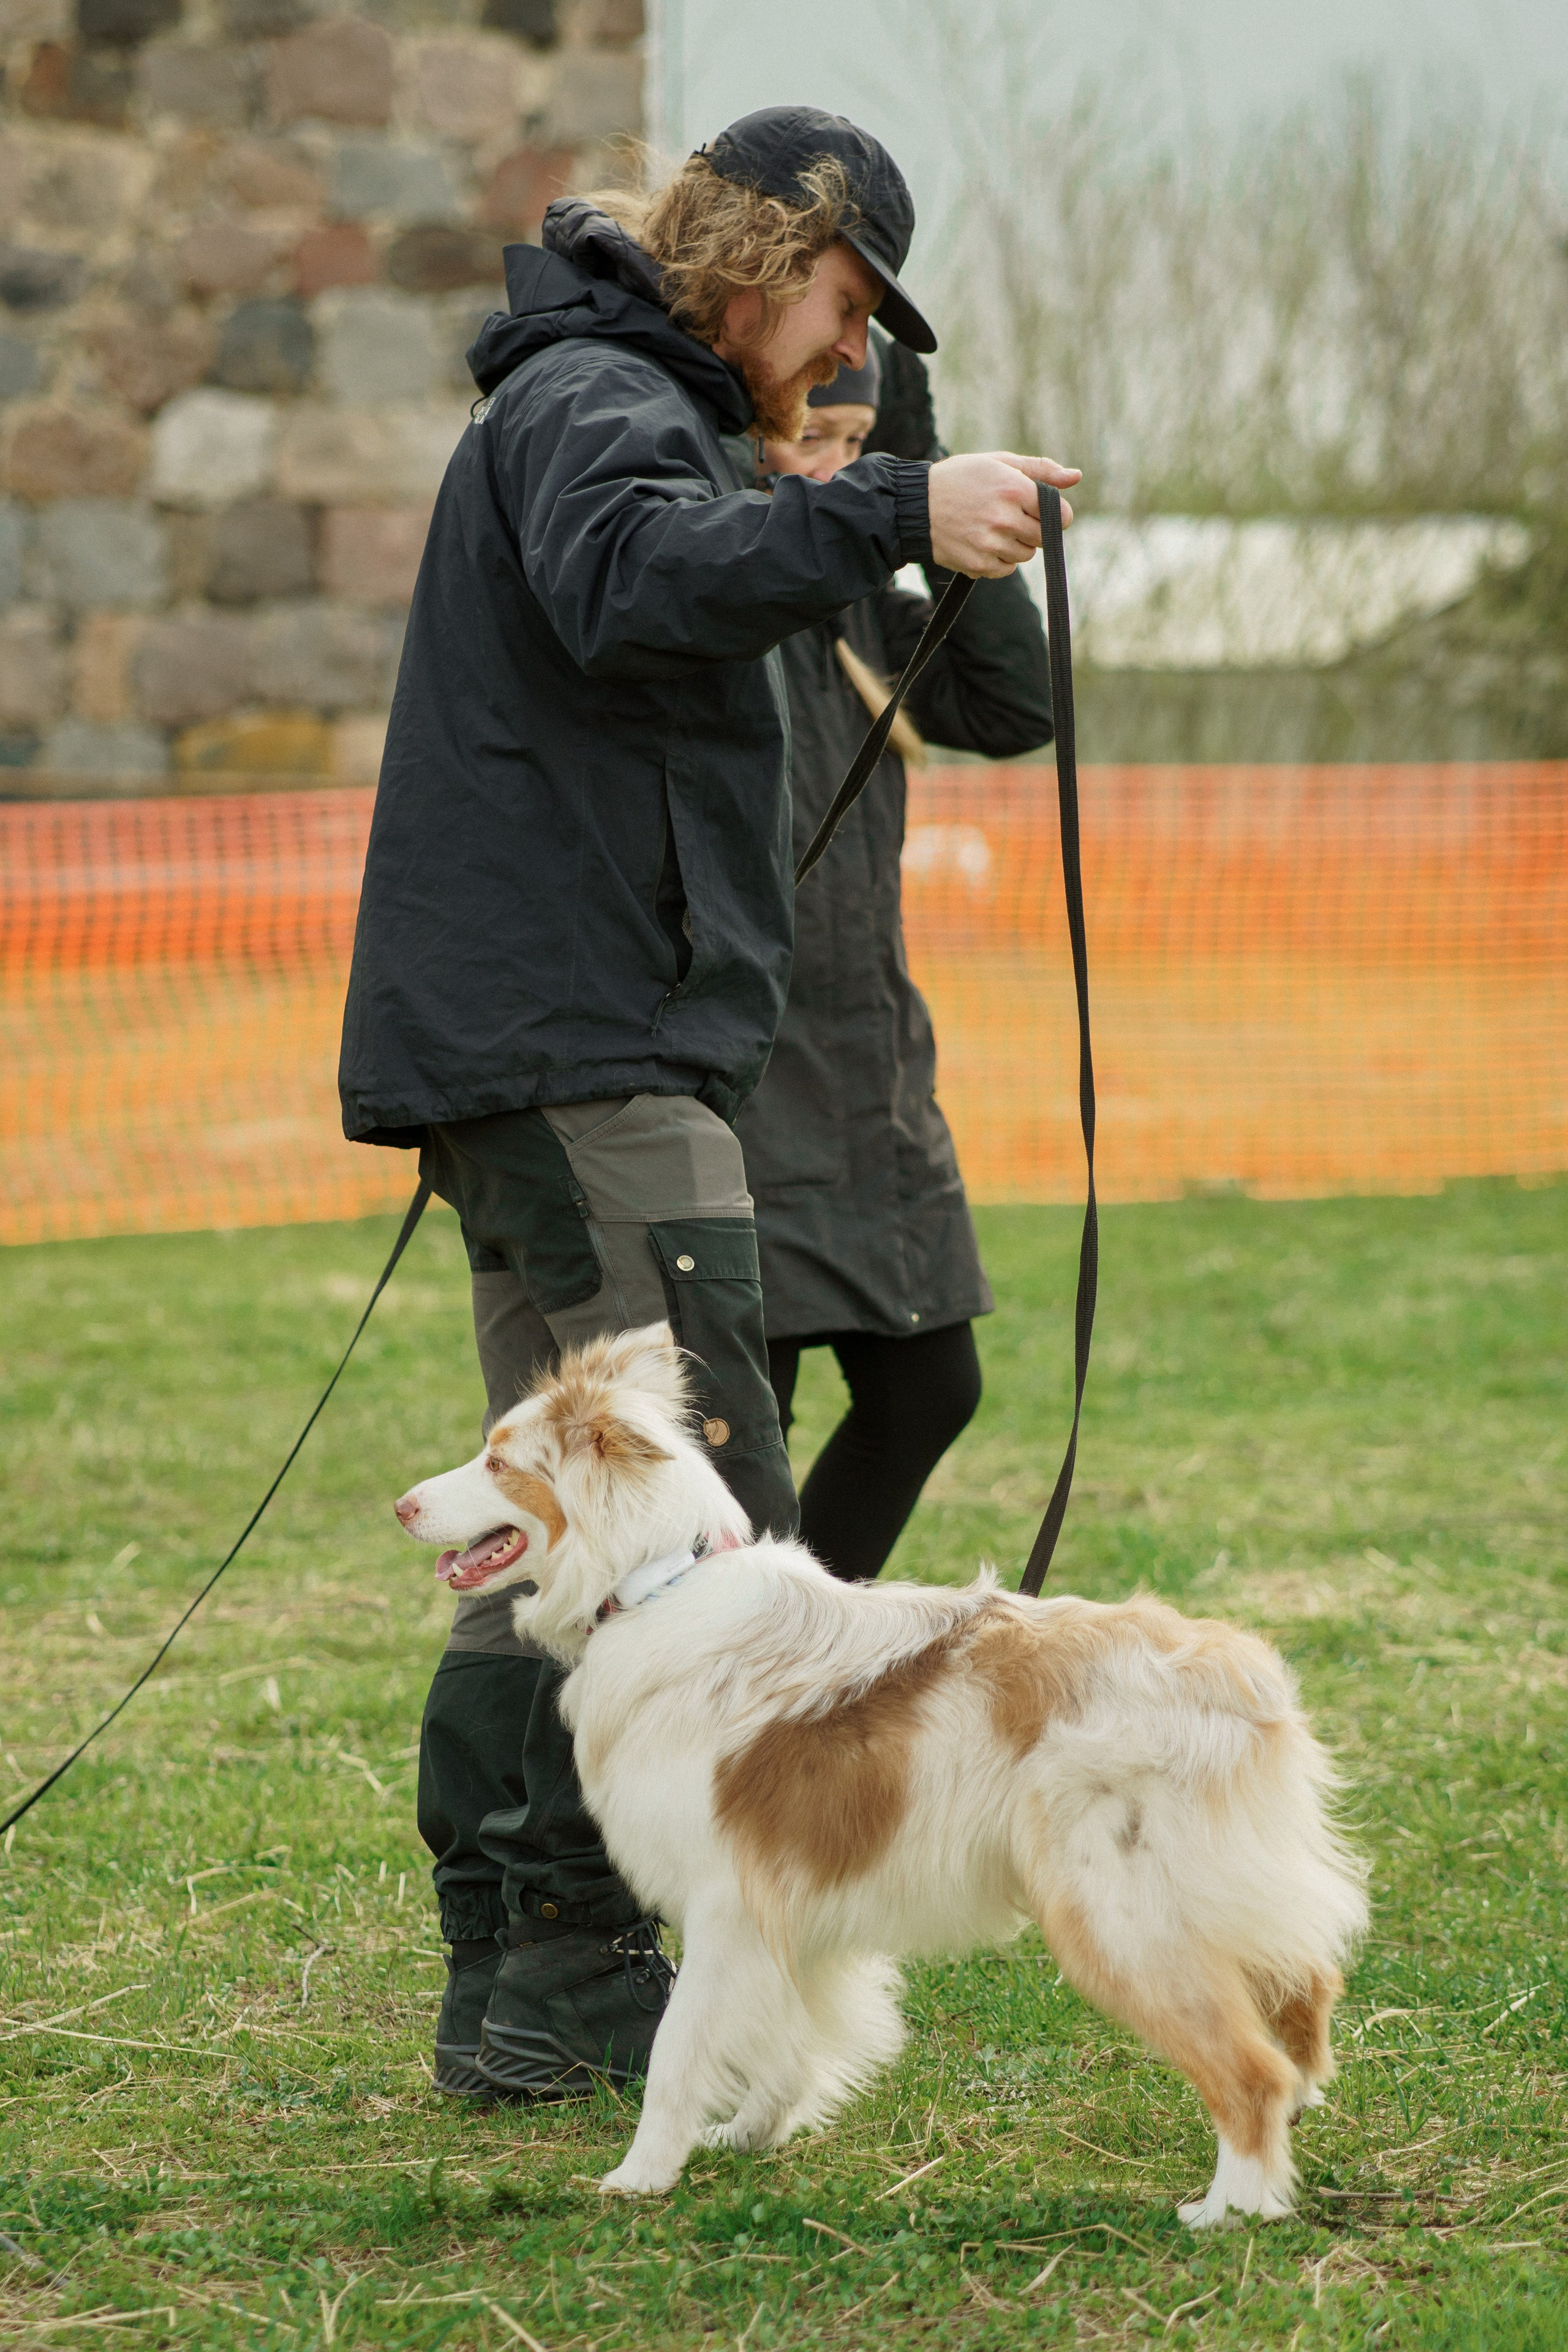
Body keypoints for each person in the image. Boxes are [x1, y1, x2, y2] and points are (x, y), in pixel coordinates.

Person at [337, 103, 1079, 2106]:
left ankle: (521, 1976)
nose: (851, 359)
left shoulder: (614, 396)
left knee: (590, 1516)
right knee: (677, 1528)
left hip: (583, 1038)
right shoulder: (600, 401)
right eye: (847, 305)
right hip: (588, 1046)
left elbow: (912, 662)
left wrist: (881, 509)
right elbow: (626, 580)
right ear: (782, 245)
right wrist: (880, 515)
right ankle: (566, 1959)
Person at [737, 339, 1053, 1580]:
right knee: (735, 1445)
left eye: (858, 445)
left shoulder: (863, 603)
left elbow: (1014, 706)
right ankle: (709, 1714)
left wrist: (929, 503)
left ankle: (787, 1665)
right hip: (736, 1081)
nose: (832, 469)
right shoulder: (714, 590)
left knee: (928, 1387)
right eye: (807, 439)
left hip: (866, 1077)